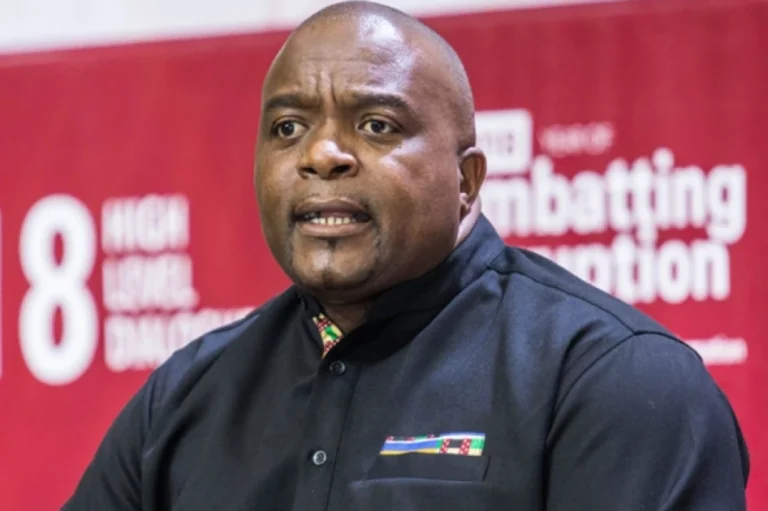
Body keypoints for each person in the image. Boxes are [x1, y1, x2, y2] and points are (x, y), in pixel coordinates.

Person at [63, 1, 749, 510]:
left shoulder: (616, 381)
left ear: (467, 181)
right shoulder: (185, 397)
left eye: (376, 125)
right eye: (288, 127)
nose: (321, 154)